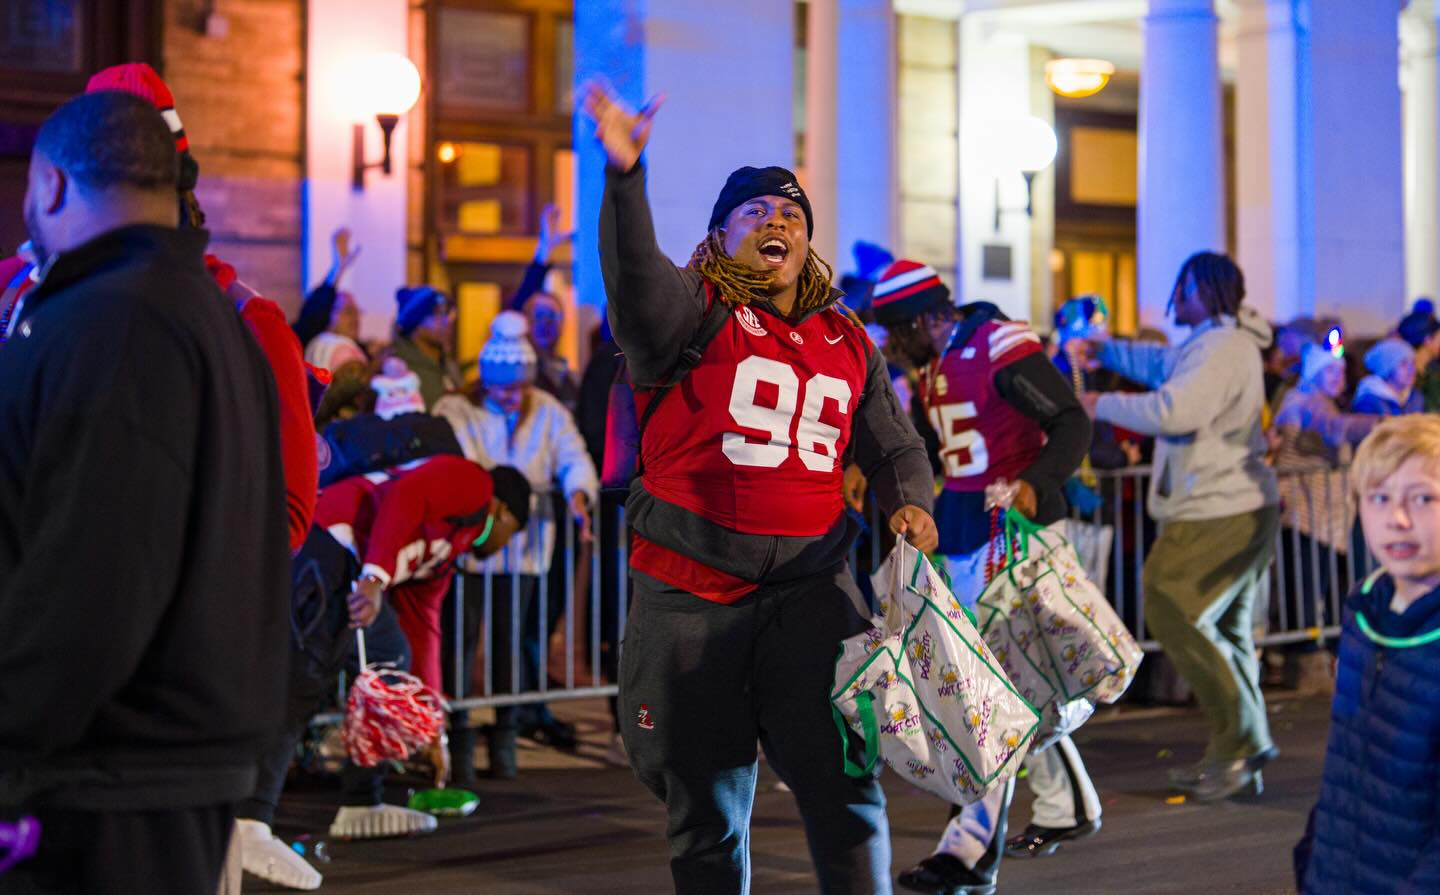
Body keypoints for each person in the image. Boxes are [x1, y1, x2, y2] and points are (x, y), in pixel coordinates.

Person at [585, 82, 936, 893]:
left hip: (812, 594)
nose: (776, 222)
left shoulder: (847, 337)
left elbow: (890, 441)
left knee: (848, 785)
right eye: (755, 212)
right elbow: (634, 281)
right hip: (693, 595)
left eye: (792, 215)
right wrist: (627, 178)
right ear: (718, 235)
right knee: (707, 807)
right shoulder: (690, 308)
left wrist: (908, 497)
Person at [0, 91, 288, 894]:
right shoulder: (212, 316)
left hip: (99, 781)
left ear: (52, 185)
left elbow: (95, 576)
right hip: (158, 763)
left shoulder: (114, 321)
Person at [870, 261, 1095, 895]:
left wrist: (1035, 482)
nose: (889, 343)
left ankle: (967, 853)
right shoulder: (935, 360)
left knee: (988, 700)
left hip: (1016, 538)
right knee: (1009, 693)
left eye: (894, 329)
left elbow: (1072, 421)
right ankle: (1066, 805)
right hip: (969, 536)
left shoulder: (996, 343)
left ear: (921, 319)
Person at [1078, 251, 1280, 801]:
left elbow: (1175, 410)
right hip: (1235, 503)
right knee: (1227, 629)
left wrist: (1099, 402)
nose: (1176, 299)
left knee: (1169, 605)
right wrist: (1110, 350)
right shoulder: (1223, 342)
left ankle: (1238, 741)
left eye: (1183, 288)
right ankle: (1244, 751)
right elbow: (1166, 366)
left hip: (1216, 506)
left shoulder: (1220, 346)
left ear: (1206, 290)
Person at [433, 311, 598, 783]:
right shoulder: (457, 409)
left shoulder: (546, 408)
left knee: (509, 644)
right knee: (460, 647)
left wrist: (579, 493)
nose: (509, 397)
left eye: (517, 387)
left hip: (524, 553)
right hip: (469, 551)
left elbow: (572, 455)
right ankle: (459, 739)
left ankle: (505, 743)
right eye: (500, 388)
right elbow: (455, 460)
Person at [1293, 416, 1440, 894]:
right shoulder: (1365, 612)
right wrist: (1314, 859)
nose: (1397, 519)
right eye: (1379, 498)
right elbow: (1347, 763)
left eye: (1423, 499)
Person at [1269, 344, 1378, 691]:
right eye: (1332, 372)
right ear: (1316, 374)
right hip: (1305, 512)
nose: (1340, 378)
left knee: (1323, 582)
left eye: (1342, 372)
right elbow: (1332, 428)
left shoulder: (1319, 401)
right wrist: (1388, 423)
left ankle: (1323, 644)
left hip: (1324, 514)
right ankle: (1302, 648)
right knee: (1304, 583)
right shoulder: (1304, 402)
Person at [391, 285, 461, 410]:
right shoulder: (399, 369)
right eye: (438, 314)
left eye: (449, 314)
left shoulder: (448, 366)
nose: (448, 321)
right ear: (416, 322)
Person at [1352, 338, 1424, 417]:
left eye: (1412, 363)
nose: (1412, 370)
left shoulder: (1415, 397)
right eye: (1403, 364)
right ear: (1386, 368)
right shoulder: (1368, 402)